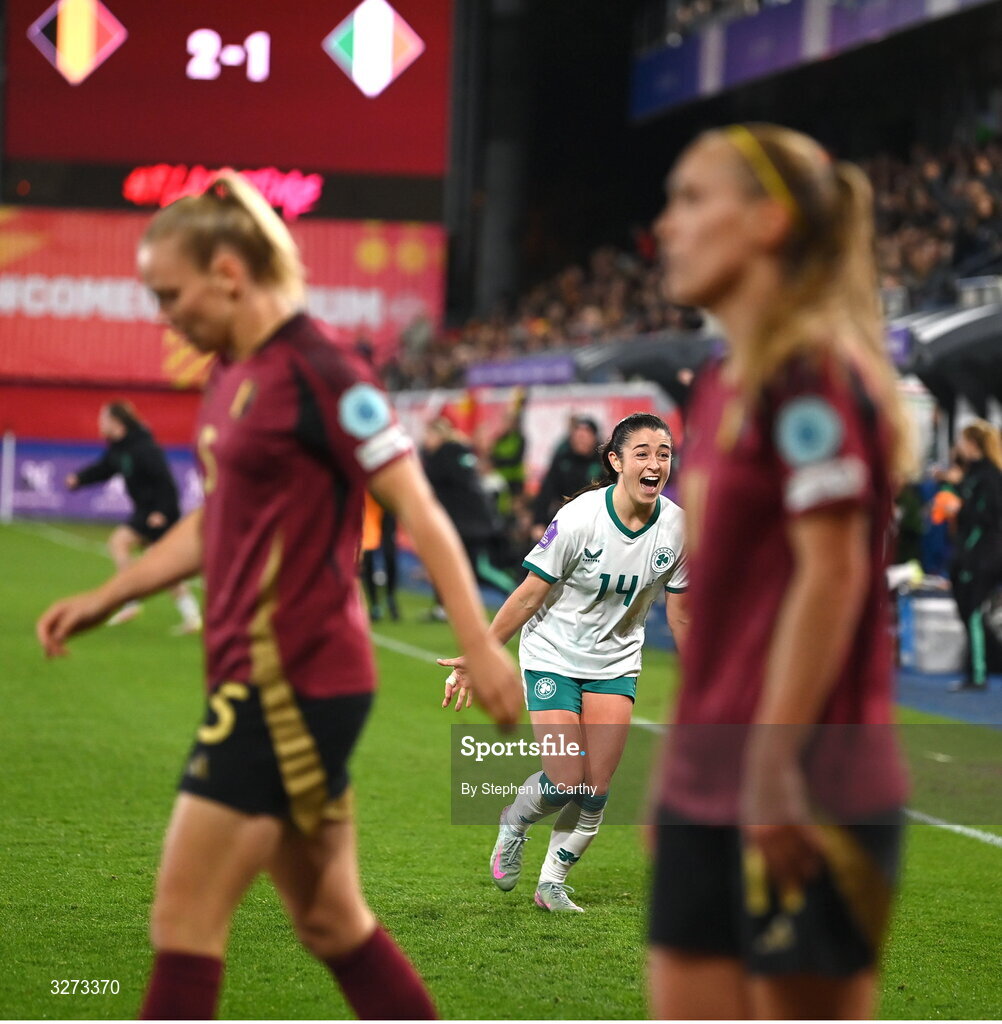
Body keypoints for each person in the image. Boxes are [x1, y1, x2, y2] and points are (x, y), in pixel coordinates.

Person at [37, 172, 521, 1021]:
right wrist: (110, 593)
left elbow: (418, 507)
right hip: (259, 678)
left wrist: (481, 645)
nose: (164, 316)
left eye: (170, 293)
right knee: (334, 922)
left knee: (182, 920)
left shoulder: (322, 368)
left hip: (290, 682)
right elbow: (215, 520)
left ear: (229, 270)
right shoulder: (233, 373)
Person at [648, 123, 914, 1019]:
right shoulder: (722, 381)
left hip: (805, 780)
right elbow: (722, 613)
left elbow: (832, 575)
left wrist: (768, 765)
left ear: (766, 221)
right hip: (710, 777)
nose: (666, 226)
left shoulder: (813, 378)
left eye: (691, 199)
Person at [439, 412, 689, 912]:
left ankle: (551, 882)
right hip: (552, 653)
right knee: (566, 778)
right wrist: (480, 658)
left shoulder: (679, 528)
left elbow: (682, 616)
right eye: (642, 453)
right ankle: (515, 821)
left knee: (596, 790)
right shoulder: (580, 519)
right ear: (616, 461)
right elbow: (529, 596)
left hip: (615, 661)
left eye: (663, 454)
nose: (655, 463)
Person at [67, 401, 202, 634]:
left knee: (120, 542)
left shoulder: (144, 448)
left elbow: (166, 482)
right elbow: (104, 468)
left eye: (103, 419)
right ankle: (192, 615)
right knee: (166, 569)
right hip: (146, 511)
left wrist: (162, 511)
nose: (100, 424)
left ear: (116, 423)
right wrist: (79, 479)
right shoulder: (119, 448)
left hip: (157, 513)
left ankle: (130, 600)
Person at [421, 416, 518, 608]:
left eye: (429, 434)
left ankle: (515, 593)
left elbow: (458, 484)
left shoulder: (447, 453)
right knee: (450, 564)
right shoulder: (456, 452)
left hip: (471, 524)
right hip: (465, 522)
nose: (426, 440)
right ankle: (444, 605)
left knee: (480, 568)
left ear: (439, 435)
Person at [948, 419, 1002, 691]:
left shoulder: (991, 477)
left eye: (963, 440)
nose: (959, 446)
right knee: (968, 609)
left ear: (973, 444)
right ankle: (976, 670)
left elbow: (991, 517)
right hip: (968, 552)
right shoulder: (971, 475)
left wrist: (959, 507)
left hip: (984, 554)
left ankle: (978, 674)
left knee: (974, 611)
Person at [529, 415, 603, 542]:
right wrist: (539, 522)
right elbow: (546, 491)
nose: (581, 440)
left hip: (597, 521)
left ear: (594, 438)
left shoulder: (604, 462)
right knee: (542, 546)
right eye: (578, 436)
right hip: (563, 519)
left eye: (585, 436)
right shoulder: (563, 459)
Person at [360, 491, 399, 622]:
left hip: (386, 504)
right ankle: (374, 604)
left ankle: (391, 598)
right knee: (367, 556)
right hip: (368, 507)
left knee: (390, 554)